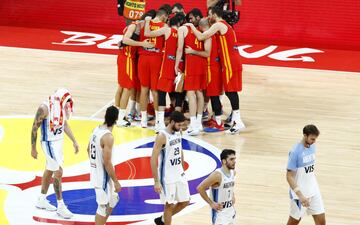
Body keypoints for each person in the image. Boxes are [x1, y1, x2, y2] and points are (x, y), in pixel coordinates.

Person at [186, 6, 245, 134]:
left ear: (214, 14)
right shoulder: (227, 26)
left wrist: (191, 26)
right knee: (230, 92)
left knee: (231, 91)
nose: (208, 16)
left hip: (230, 62)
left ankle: (237, 120)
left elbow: (201, 36)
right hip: (231, 61)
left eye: (209, 14)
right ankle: (236, 120)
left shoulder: (219, 25)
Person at [31, 88, 79, 219]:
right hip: (48, 143)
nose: (68, 104)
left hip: (58, 143)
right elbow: (35, 127)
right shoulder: (44, 108)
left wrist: (74, 141)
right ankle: (61, 206)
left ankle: (41, 199)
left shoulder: (61, 107)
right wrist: (33, 148)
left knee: (49, 169)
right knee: (58, 171)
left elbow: (65, 125)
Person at [144, 13, 186, 131]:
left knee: (162, 92)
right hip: (180, 65)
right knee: (178, 94)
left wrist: (147, 21)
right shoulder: (183, 32)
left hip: (168, 64)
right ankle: (178, 122)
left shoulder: (167, 30)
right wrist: (177, 64)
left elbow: (147, 33)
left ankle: (160, 123)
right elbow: (180, 50)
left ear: (170, 22)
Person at [150, 111, 190, 225]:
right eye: (179, 125)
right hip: (167, 176)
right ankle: (166, 220)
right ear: (172, 122)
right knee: (169, 204)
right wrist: (156, 181)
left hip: (179, 173)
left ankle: (163, 219)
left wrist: (182, 168)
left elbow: (180, 150)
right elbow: (153, 159)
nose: (181, 127)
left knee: (185, 201)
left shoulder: (178, 132)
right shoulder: (162, 136)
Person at [185, 18, 224, 132]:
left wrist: (192, 27)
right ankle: (202, 119)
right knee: (204, 93)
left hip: (211, 68)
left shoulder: (208, 35)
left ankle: (218, 122)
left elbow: (204, 45)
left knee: (213, 95)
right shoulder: (213, 34)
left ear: (201, 27)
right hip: (211, 67)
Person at [116, 13, 155, 127]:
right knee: (127, 88)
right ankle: (120, 119)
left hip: (125, 57)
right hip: (127, 58)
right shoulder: (134, 26)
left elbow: (122, 41)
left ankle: (118, 115)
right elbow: (126, 39)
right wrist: (142, 43)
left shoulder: (133, 26)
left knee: (121, 87)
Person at [175, 8, 207, 136]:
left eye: (191, 18)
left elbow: (179, 49)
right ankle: (198, 123)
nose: (190, 20)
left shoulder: (184, 29)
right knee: (199, 93)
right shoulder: (204, 29)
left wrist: (176, 64)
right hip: (202, 64)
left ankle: (193, 125)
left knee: (190, 93)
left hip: (192, 65)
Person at [88, 106, 122, 225]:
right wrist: (116, 181)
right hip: (102, 176)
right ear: (116, 119)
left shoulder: (96, 129)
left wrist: (94, 164)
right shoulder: (108, 137)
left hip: (96, 173)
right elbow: (107, 163)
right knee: (102, 207)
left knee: (113, 200)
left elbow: (88, 150)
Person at [286, 125, 326, 225]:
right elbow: (289, 176)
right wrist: (301, 196)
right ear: (305, 135)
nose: (314, 141)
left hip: (314, 191)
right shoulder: (295, 152)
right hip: (300, 195)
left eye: (315, 139)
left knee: (321, 222)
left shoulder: (312, 146)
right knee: (293, 223)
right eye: (312, 139)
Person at [137, 8, 169, 128]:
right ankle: (158, 121)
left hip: (143, 58)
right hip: (156, 58)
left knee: (144, 89)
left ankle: (143, 120)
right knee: (155, 90)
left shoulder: (143, 23)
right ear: (164, 16)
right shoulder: (164, 25)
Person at [197, 149, 236, 225]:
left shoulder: (233, 172)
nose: (234, 161)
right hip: (220, 214)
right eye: (231, 159)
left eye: (234, 159)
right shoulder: (217, 175)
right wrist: (211, 203)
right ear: (224, 161)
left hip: (231, 210)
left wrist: (233, 195)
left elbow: (230, 187)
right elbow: (200, 188)